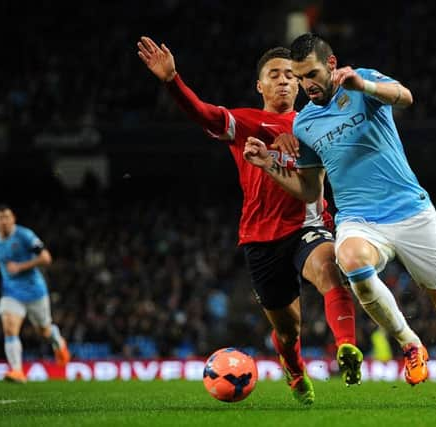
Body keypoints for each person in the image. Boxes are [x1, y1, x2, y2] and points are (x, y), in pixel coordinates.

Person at [243, 32, 436, 407]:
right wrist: (269, 167)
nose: (306, 85)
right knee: (349, 261)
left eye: (311, 74)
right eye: (299, 78)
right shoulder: (305, 124)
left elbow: (406, 97)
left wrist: (364, 84)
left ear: (331, 65)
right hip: (358, 218)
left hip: (410, 211)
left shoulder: (362, 81)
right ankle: (410, 345)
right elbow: (311, 190)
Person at [137, 36, 362, 404]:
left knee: (330, 269)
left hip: (308, 225)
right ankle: (293, 367)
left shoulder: (315, 123)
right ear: (260, 85)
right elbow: (204, 114)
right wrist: (171, 80)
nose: (285, 80)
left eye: (291, 75)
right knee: (288, 332)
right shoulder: (244, 123)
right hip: (261, 239)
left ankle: (347, 347)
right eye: (275, 75)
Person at [0, 204, 71, 384]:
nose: (4, 221)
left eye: (7, 217)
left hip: (35, 291)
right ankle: (17, 371)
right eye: (0, 218)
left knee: (44, 330)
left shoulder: (25, 235)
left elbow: (46, 258)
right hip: (11, 293)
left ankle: (58, 342)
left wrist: (20, 266)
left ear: (13, 219)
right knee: (9, 328)